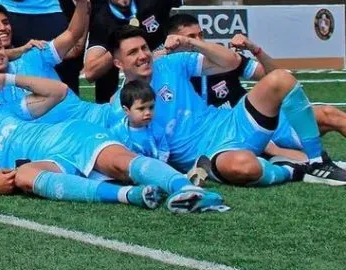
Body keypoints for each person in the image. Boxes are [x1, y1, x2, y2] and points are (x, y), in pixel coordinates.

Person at [0, 79, 223, 212]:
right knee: (24, 177)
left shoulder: (2, 112)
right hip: (47, 162)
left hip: (70, 137)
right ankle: (129, 196)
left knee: (120, 162)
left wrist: (7, 79)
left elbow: (58, 92)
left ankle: (187, 190)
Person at [108, 26, 345, 186]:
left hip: (233, 121)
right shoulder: (121, 105)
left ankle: (316, 161)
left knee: (282, 80)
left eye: (144, 48)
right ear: (119, 62)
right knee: (245, 167)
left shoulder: (171, 64)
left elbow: (231, 61)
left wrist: (191, 43)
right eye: (132, 52)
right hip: (210, 155)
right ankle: (292, 169)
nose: (143, 55)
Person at [84, 0, 215, 102]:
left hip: (162, 76)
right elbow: (90, 72)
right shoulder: (101, 20)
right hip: (121, 95)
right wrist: (121, 43)